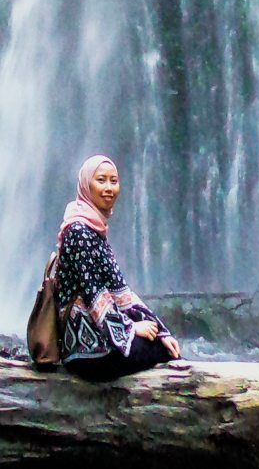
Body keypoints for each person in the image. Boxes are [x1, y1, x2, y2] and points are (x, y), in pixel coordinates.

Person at [55, 154, 182, 380]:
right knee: (164, 352)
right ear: (86, 185)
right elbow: (94, 295)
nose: (109, 188)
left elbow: (122, 293)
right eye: (101, 180)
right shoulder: (78, 231)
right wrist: (132, 329)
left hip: (102, 343)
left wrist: (162, 331)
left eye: (114, 181)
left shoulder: (94, 229)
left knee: (166, 345)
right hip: (86, 353)